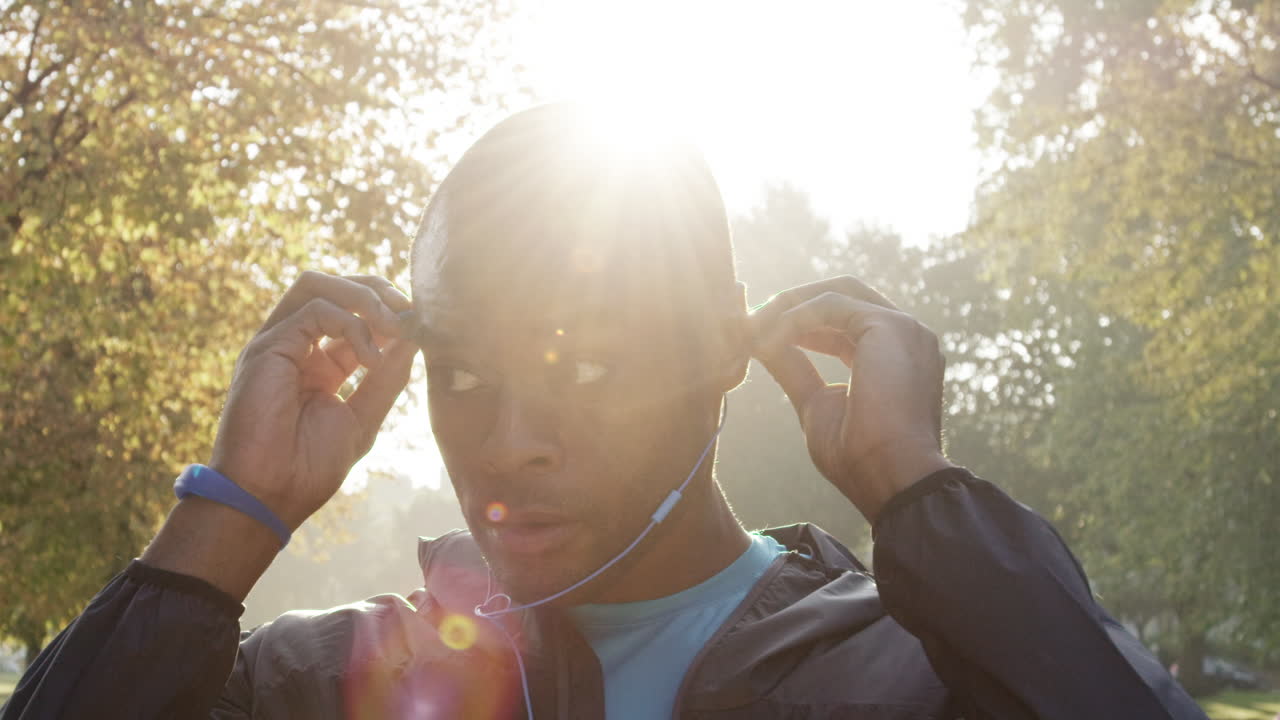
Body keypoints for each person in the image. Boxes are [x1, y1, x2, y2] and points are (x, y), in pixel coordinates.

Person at [3, 103, 1206, 720]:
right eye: (463, 371)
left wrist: (913, 482)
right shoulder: (321, 683)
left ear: (719, 350)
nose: (505, 436)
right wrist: (232, 514)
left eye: (585, 364)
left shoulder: (917, 671)